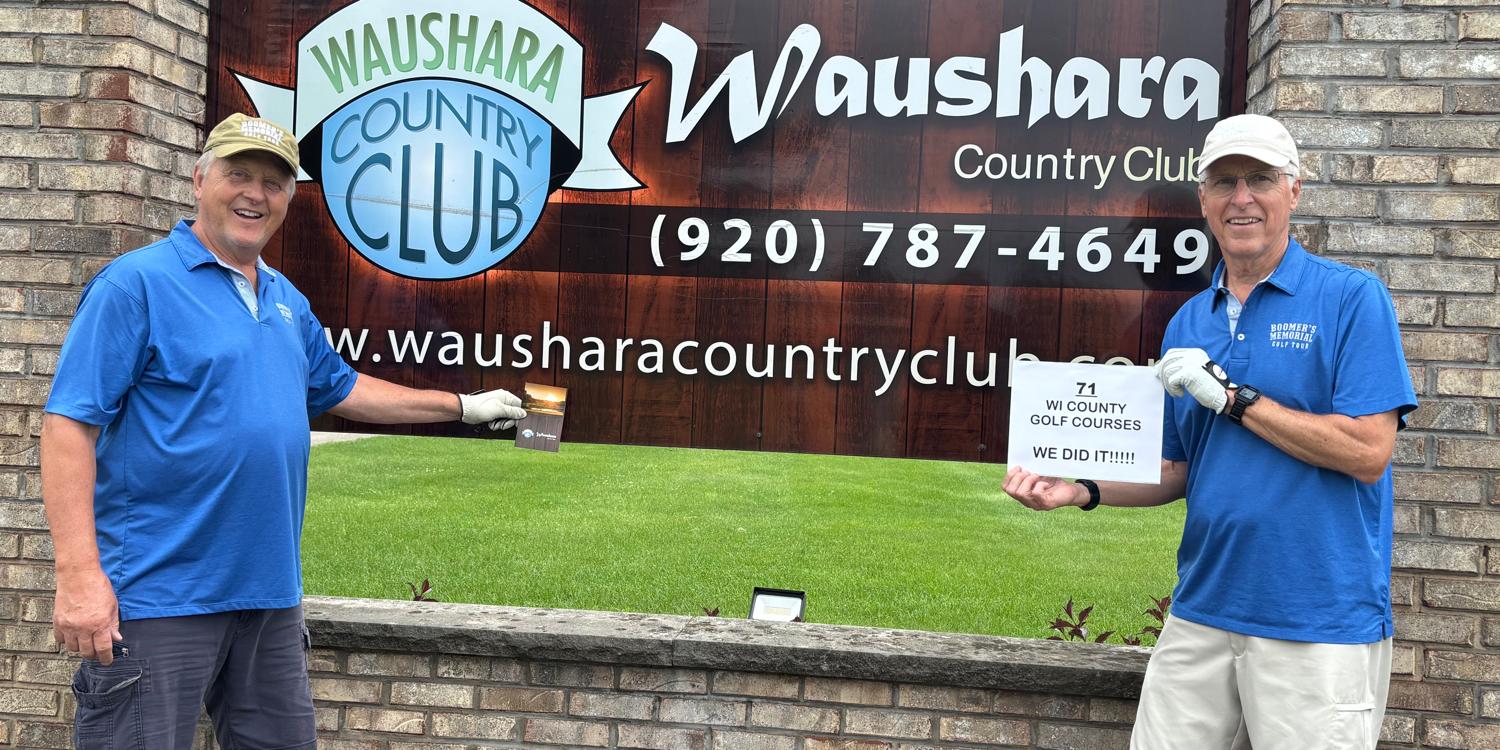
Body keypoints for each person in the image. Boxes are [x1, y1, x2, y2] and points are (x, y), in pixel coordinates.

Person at [40, 113, 528, 749]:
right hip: (160, 597)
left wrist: (460, 406)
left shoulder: (285, 299)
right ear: (199, 181)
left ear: (289, 200)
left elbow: (343, 387)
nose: (255, 194)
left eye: (273, 183)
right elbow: (68, 426)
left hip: (268, 599)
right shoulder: (135, 286)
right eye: (238, 175)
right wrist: (79, 575)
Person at [1003, 114, 1416, 749]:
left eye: (1260, 179)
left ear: (1294, 190)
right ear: (1203, 199)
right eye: (1224, 182)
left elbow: (1367, 451)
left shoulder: (1350, 298)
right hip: (1203, 607)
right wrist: (1081, 489)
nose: (1241, 198)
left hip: (1317, 617)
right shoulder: (1190, 322)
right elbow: (1176, 469)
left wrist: (1232, 398)